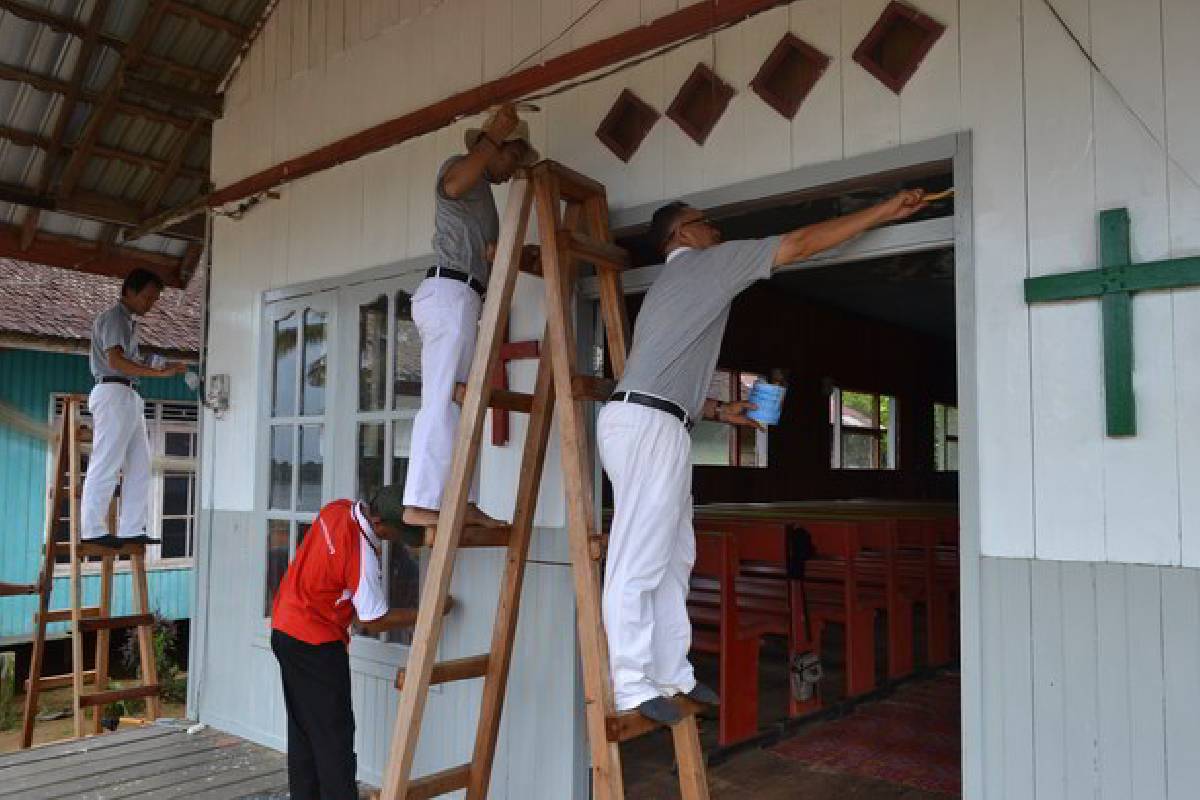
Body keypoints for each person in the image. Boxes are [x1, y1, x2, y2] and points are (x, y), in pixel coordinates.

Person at [600, 189, 929, 723]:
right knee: (639, 558)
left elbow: (660, 373)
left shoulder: (678, 287)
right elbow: (797, 243)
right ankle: (630, 684)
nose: (716, 231)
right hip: (648, 425)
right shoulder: (704, 263)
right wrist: (883, 211)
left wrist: (719, 409)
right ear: (680, 236)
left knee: (675, 554)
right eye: (705, 222)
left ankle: (670, 673)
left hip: (656, 419)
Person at [402, 102, 540, 530]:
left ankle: (463, 500)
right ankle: (422, 501)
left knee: (465, 402)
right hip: (449, 292)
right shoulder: (462, 169)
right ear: (495, 148)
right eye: (513, 157)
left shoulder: (486, 204)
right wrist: (493, 136)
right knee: (443, 399)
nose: (511, 169)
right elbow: (456, 182)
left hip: (465, 297)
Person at [271, 484, 419, 800]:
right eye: (398, 533)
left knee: (305, 731)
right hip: (315, 643)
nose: (399, 541)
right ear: (379, 523)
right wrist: (423, 613)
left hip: (284, 627)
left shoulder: (337, 509)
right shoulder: (362, 553)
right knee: (334, 737)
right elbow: (372, 618)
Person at [81, 268, 186, 549]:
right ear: (129, 291)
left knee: (140, 463)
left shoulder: (128, 323)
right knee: (107, 460)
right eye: (148, 297)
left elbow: (135, 359)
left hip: (128, 394)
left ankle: (131, 527)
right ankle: (91, 528)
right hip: (113, 390)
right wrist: (159, 374)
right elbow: (116, 361)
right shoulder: (114, 318)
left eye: (154, 299)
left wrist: (167, 365)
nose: (150, 304)